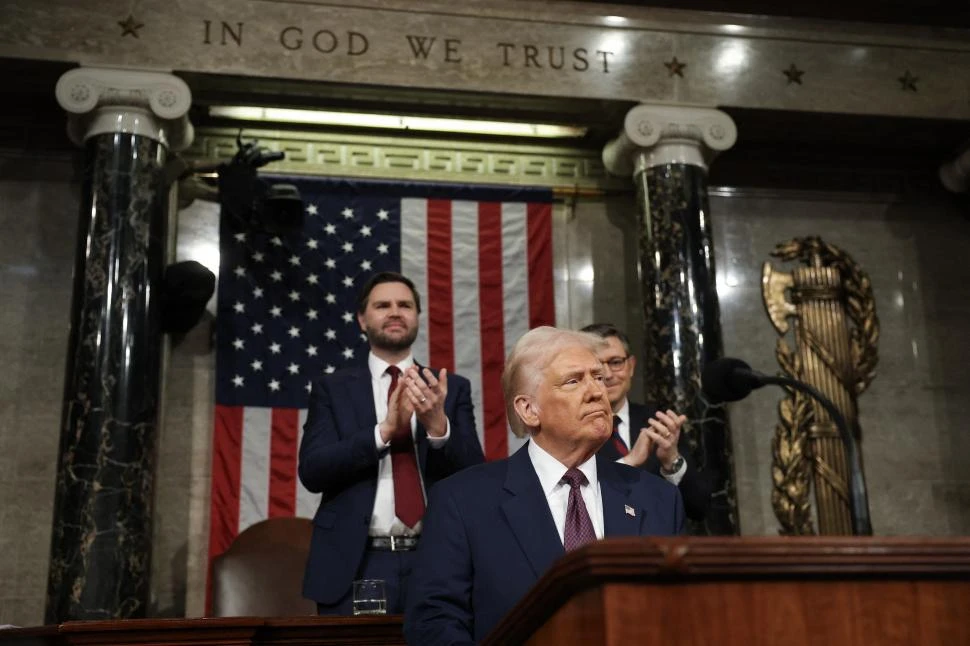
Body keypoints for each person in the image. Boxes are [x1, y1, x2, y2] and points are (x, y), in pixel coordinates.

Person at [404, 327, 683, 644]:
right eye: (574, 381)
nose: (596, 392)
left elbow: (681, 616)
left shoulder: (658, 498)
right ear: (529, 409)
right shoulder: (463, 501)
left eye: (599, 378)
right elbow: (434, 622)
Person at [298, 271, 484, 615]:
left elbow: (476, 474)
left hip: (437, 557)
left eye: (405, 305)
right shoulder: (332, 389)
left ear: (417, 317)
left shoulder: (449, 387)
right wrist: (383, 431)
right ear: (362, 319)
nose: (395, 312)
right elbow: (313, 471)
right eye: (383, 305)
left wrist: (438, 427)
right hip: (357, 561)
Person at [581, 322, 713, 522]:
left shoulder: (658, 422)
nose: (608, 375)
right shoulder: (570, 430)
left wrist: (671, 462)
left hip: (662, 549)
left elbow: (699, 508)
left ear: (631, 366)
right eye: (598, 367)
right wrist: (629, 462)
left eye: (616, 362)